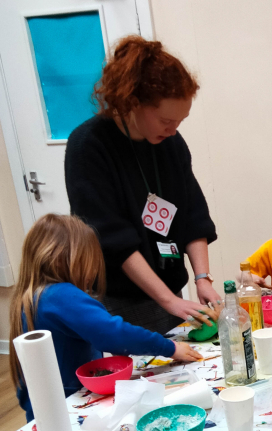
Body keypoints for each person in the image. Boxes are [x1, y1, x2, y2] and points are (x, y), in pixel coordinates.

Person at [65, 36, 222, 335]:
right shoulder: (88, 147)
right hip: (118, 301)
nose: (173, 129)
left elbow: (193, 216)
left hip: (168, 294)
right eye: (165, 120)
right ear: (132, 102)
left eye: (180, 120)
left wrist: (202, 277)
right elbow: (112, 241)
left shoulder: (170, 143)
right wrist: (168, 301)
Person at [9, 214, 202, 423]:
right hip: (69, 409)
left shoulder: (30, 297)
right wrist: (170, 348)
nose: (93, 270)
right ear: (68, 259)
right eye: (89, 260)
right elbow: (115, 334)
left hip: (43, 411)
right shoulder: (60, 295)